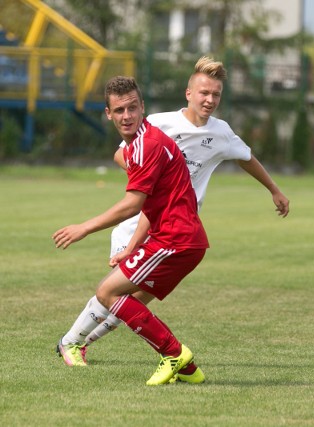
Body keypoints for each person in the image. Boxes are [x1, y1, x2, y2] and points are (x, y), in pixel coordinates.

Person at [55, 57, 290, 384]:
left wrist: (274, 190)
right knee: (116, 293)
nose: (209, 100)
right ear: (189, 93)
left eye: (216, 95)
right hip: (141, 220)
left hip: (172, 225)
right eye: (204, 92)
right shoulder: (157, 123)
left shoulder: (221, 132)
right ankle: (73, 343)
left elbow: (247, 158)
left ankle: (83, 344)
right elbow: (123, 154)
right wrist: (149, 178)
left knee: (131, 301)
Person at [53, 76, 210, 386]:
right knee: (128, 299)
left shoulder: (146, 145)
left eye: (132, 108)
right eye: (119, 110)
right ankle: (189, 371)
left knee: (108, 292)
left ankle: (174, 354)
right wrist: (131, 247)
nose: (127, 116)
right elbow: (151, 207)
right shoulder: (143, 143)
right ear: (109, 114)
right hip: (185, 240)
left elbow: (132, 204)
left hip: (174, 239)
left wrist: (84, 227)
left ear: (143, 108)